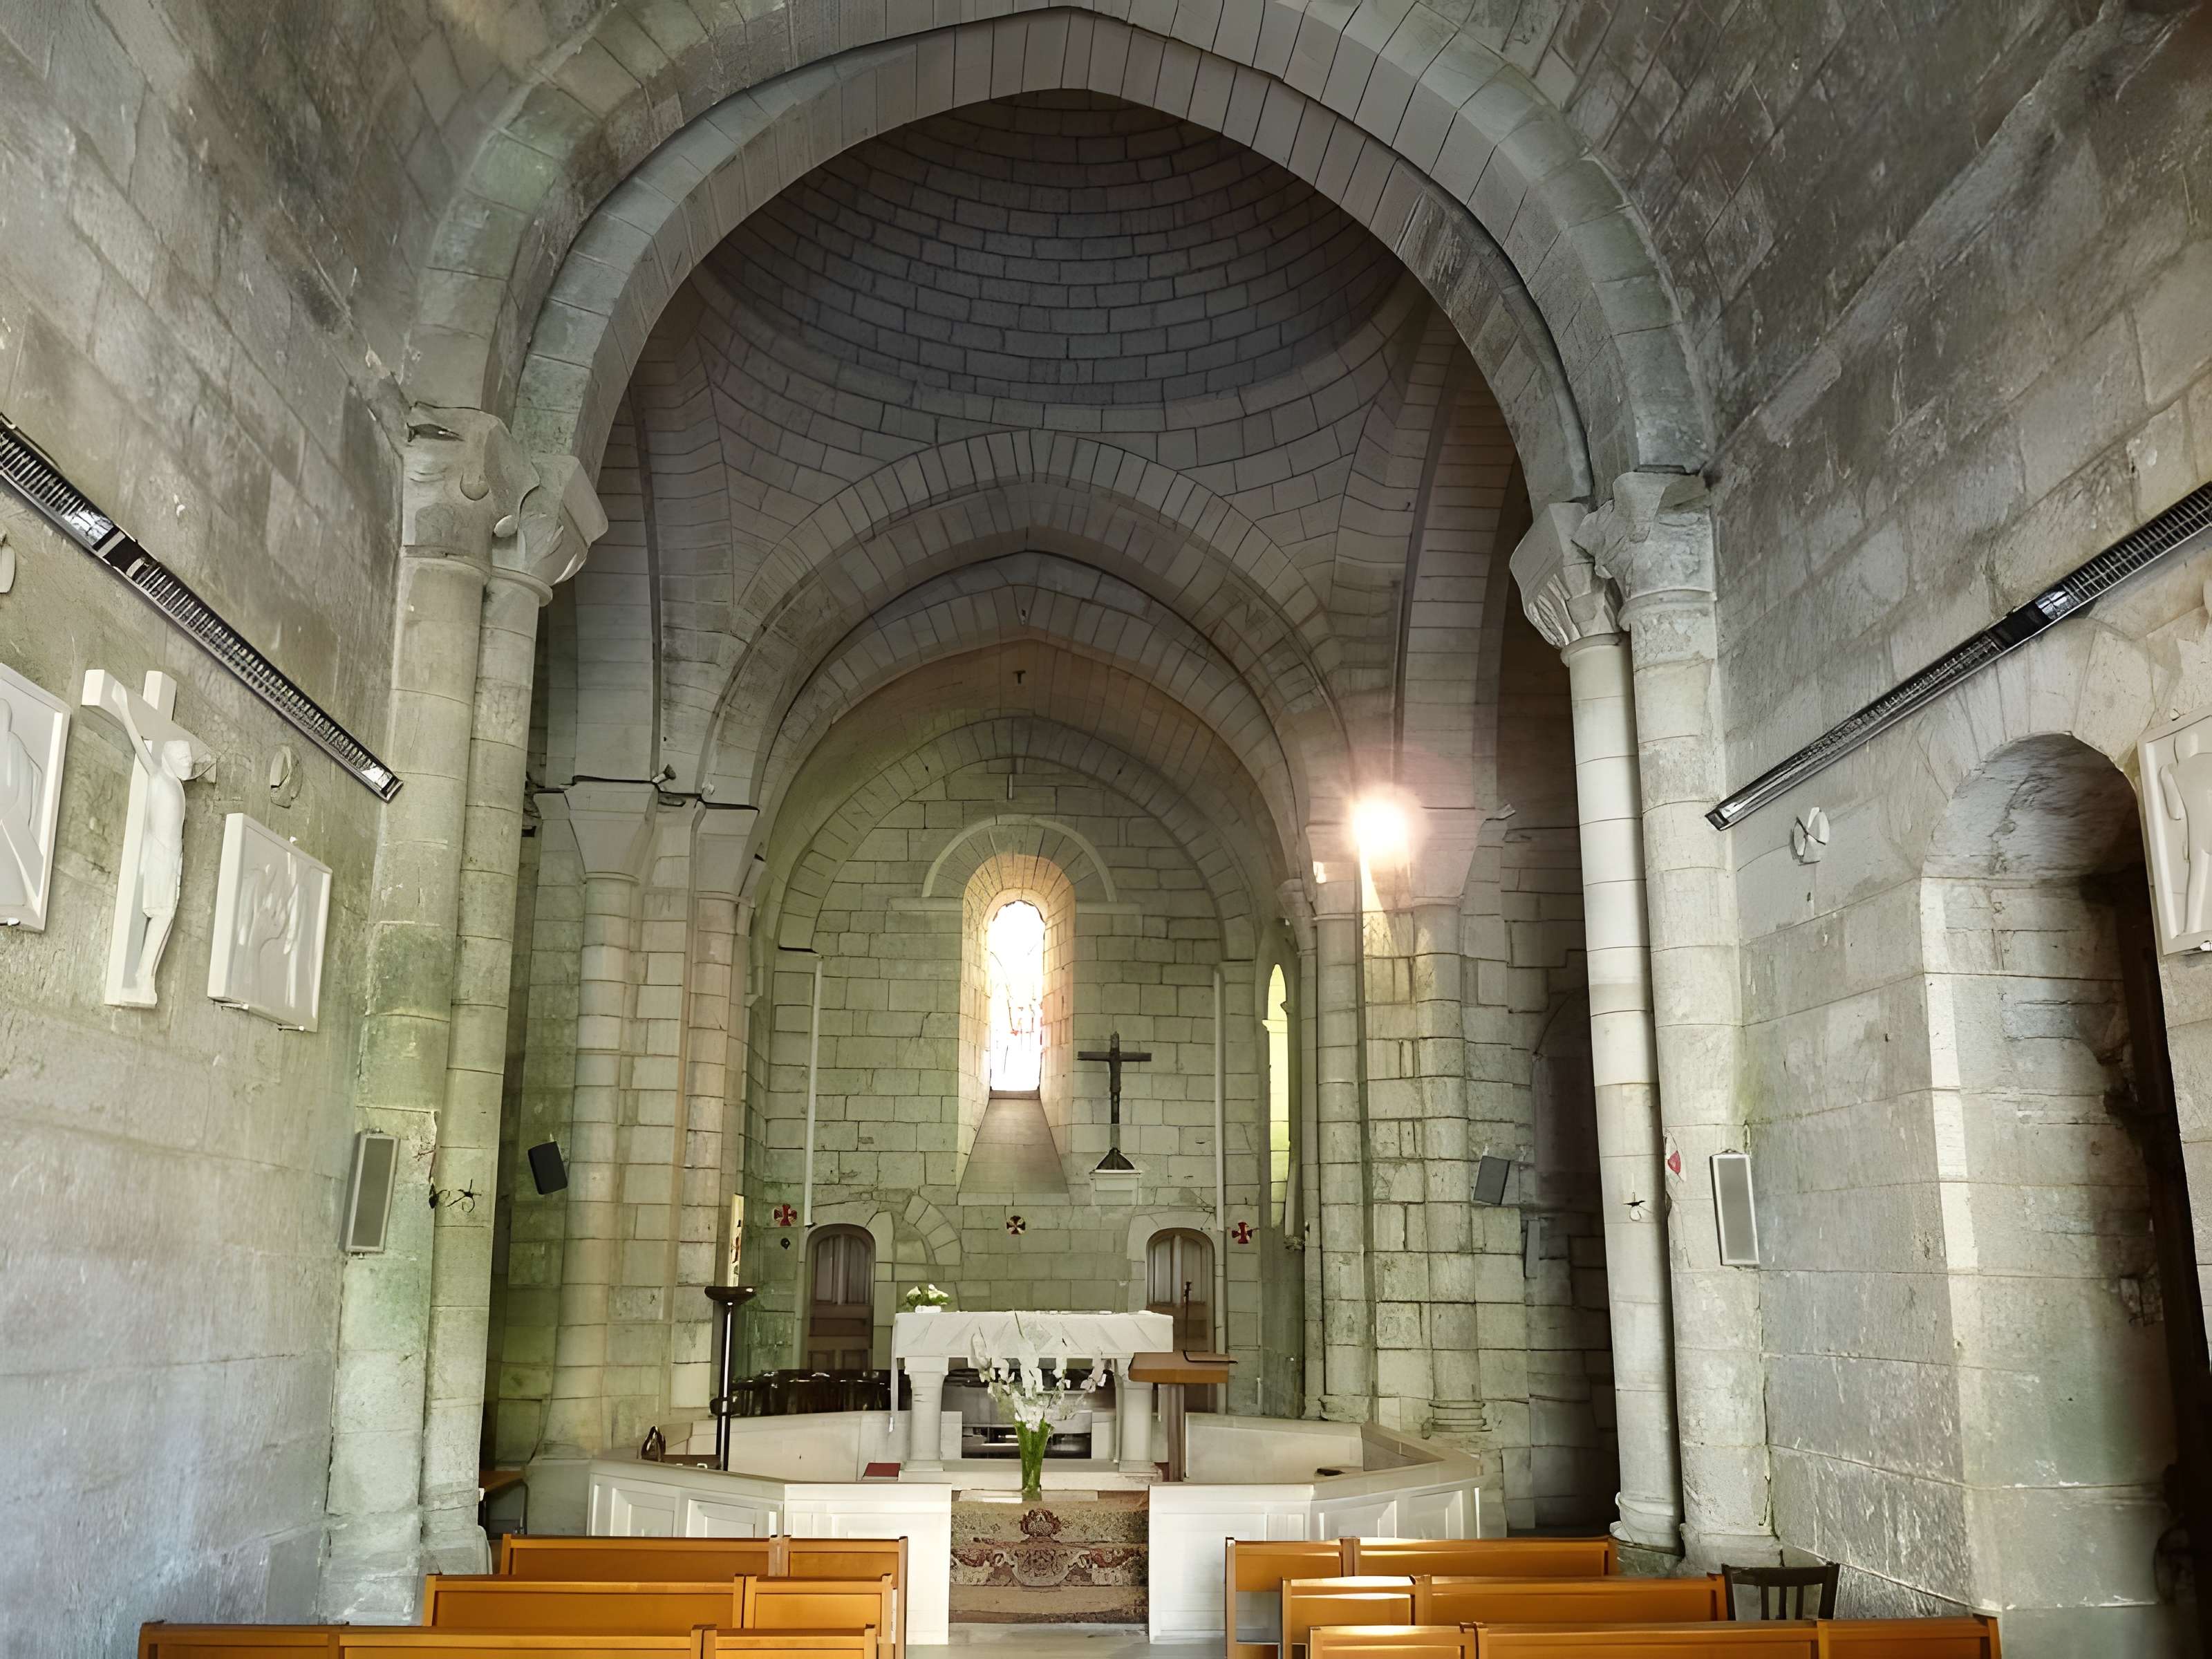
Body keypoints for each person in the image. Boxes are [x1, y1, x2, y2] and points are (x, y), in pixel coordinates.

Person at [115, 697, 203, 1001]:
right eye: (182, 759)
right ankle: (143, 975)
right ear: (169, 758)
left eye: (189, 762)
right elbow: (140, 747)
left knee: (168, 915)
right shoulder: (160, 777)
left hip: (173, 858)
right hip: (160, 855)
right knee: (163, 914)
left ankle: (147, 976)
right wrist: (124, 708)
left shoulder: (178, 785)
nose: (187, 766)